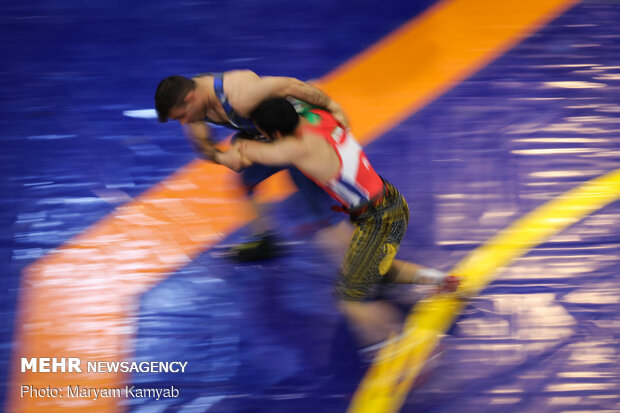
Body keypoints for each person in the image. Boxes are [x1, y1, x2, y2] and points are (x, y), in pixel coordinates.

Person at [216, 97, 459, 350]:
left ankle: (408, 351)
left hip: (376, 221)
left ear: (275, 133)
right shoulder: (319, 116)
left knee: (350, 301)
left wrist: (230, 145)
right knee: (377, 269)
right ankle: (441, 280)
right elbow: (310, 95)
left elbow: (249, 154)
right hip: (392, 201)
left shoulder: (296, 149)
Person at [154, 70, 349, 261]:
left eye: (181, 116)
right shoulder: (195, 104)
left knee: (320, 217)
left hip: (302, 140)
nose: (184, 122)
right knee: (246, 181)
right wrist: (225, 159)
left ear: (190, 98)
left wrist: (332, 105)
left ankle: (370, 267)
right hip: (271, 138)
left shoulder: (241, 93)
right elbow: (203, 146)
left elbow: (292, 85)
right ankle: (263, 240)